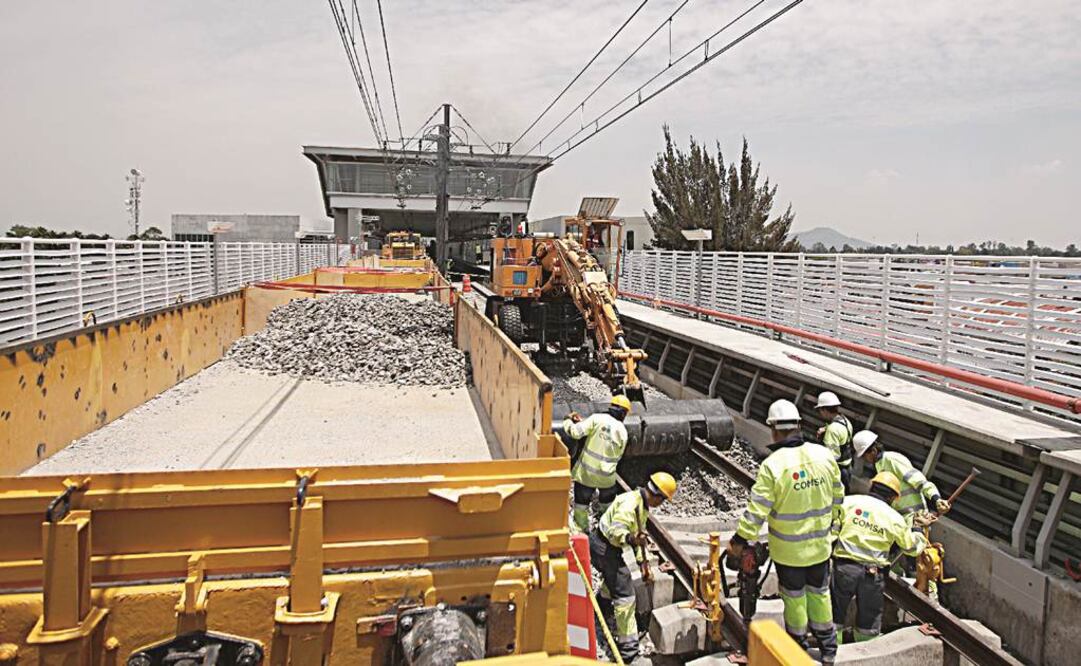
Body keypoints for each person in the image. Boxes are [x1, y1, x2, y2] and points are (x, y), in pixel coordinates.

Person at [728, 399, 842, 664]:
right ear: (799, 426)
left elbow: (757, 511)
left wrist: (739, 540)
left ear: (774, 430)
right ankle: (828, 649)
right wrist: (831, 528)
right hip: (820, 547)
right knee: (820, 593)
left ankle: (798, 646)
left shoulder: (774, 466)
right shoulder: (823, 455)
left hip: (790, 552)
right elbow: (838, 497)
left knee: (794, 598)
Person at [590, 472, 678, 662]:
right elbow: (616, 532)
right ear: (658, 496)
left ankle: (601, 606)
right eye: (663, 501)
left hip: (605, 546)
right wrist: (630, 539)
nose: (660, 505)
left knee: (617, 579)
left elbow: (638, 538)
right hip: (604, 547)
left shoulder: (640, 503)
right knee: (626, 596)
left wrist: (643, 564)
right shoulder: (631, 506)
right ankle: (629, 651)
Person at [831, 471, 927, 643]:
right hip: (873, 575)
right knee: (869, 620)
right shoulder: (895, 518)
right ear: (893, 498)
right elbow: (912, 548)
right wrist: (918, 530)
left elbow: (832, 530)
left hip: (844, 569)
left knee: (834, 614)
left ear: (871, 486)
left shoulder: (849, 502)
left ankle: (831, 651)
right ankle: (864, 653)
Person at [563, 394, 632, 533]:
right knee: (607, 505)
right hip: (607, 477)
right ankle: (606, 529)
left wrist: (567, 421)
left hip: (586, 475)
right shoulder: (623, 431)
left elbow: (576, 432)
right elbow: (618, 455)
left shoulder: (597, 419)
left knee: (581, 505)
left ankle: (582, 531)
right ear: (624, 414)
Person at [852, 430, 950, 517]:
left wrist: (936, 499)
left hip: (915, 515)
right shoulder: (880, 465)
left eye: (865, 455)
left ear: (873, 451)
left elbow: (920, 481)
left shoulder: (892, 460)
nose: (865, 459)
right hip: (901, 516)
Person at [815, 391, 854, 493]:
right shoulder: (845, 421)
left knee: (835, 497)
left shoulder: (833, 430)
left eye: (820, 410)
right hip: (848, 467)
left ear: (824, 410)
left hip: (838, 471)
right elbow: (840, 434)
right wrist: (826, 429)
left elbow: (832, 457)